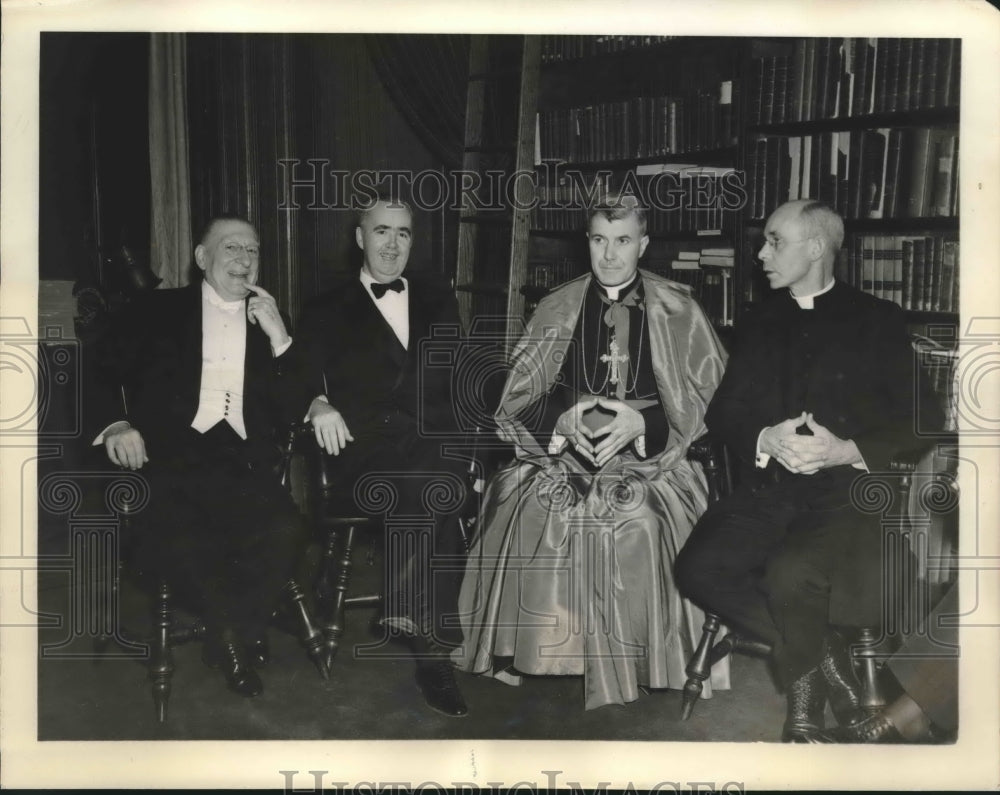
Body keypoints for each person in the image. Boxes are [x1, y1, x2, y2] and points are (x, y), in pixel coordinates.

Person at [675, 199, 944, 741]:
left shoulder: (877, 319)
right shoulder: (760, 319)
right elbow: (724, 411)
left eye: (775, 241)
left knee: (790, 573)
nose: (761, 254)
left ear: (817, 247)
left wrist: (846, 449)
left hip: (849, 494)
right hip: (770, 490)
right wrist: (766, 438)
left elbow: (926, 420)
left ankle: (803, 717)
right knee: (698, 566)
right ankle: (828, 662)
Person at [455, 195, 729, 710]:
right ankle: (529, 648)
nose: (609, 255)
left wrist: (643, 424)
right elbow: (519, 395)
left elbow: (710, 403)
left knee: (638, 519)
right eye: (599, 240)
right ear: (587, 242)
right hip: (567, 448)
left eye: (622, 241)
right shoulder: (558, 305)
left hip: (653, 457)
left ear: (643, 244)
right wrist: (560, 424)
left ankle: (645, 657)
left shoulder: (680, 310)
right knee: (529, 502)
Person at [94, 216, 307, 698]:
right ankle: (233, 638)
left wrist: (280, 338)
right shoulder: (158, 309)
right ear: (201, 258)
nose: (244, 259)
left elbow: (294, 404)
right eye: (231, 248)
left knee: (287, 530)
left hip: (245, 461)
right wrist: (116, 424)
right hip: (172, 458)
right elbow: (98, 370)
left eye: (252, 250)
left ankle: (234, 627)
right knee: (187, 535)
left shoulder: (270, 319)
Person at [288, 196, 470, 717]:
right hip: (364, 451)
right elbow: (296, 376)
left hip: (431, 441)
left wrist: (474, 444)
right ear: (360, 238)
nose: (392, 244)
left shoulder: (438, 299)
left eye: (403, 233)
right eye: (382, 231)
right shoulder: (326, 307)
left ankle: (407, 612)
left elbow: (461, 378)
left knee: (439, 476)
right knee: (437, 489)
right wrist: (316, 403)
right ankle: (433, 652)